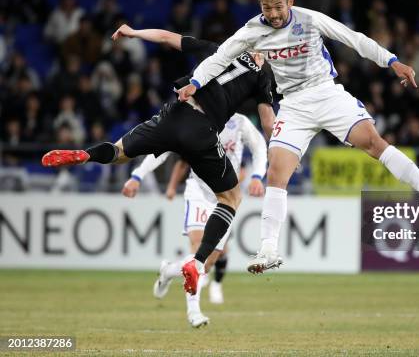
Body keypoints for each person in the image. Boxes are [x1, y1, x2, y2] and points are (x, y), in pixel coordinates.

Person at [176, 0, 419, 274]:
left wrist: (393, 62)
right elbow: (219, 58)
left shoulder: (309, 20)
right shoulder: (252, 31)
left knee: (374, 143)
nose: (272, 14)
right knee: (276, 173)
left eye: (277, 7)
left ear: (290, 2)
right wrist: (195, 82)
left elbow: (354, 39)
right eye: (266, 8)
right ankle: (268, 250)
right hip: (294, 105)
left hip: (326, 92)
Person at [41, 25, 275, 299]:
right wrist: (282, 152)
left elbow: (166, 37)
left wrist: (133, 32)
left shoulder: (216, 51)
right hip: (202, 130)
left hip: (172, 115)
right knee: (231, 197)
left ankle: (85, 155)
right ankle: (197, 262)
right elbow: (268, 122)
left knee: (118, 153)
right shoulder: (263, 77)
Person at [122, 112, 267, 327]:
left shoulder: (239, 122)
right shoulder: (193, 119)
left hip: (226, 197)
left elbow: (259, 146)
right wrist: (137, 176)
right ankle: (194, 311)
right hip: (198, 191)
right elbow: (161, 150)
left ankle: (170, 270)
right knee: (198, 249)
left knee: (206, 264)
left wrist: (257, 175)